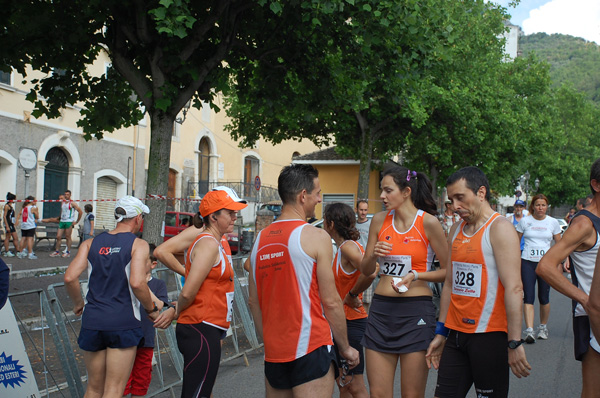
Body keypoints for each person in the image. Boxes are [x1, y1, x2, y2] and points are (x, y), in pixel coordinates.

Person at [248, 164, 359, 398]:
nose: (320, 199)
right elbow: (330, 301)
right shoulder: (317, 236)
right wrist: (346, 348)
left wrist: (268, 341)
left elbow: (254, 302)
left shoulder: (259, 240)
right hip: (311, 346)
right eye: (318, 193)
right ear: (303, 196)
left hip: (275, 351)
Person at [426, 167, 530, 398]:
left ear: (481, 193)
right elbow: (451, 284)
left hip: (489, 335)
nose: (455, 205)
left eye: (460, 197)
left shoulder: (499, 228)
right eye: (451, 200)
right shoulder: (455, 229)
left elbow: (514, 288)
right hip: (455, 334)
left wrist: (514, 342)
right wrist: (441, 332)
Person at [359, 166, 448, 398]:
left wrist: (417, 275)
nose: (382, 196)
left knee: (412, 395)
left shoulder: (428, 223)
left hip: (415, 312)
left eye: (388, 190)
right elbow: (366, 270)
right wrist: (372, 255)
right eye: (381, 190)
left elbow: (449, 271)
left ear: (406, 191)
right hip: (381, 312)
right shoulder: (379, 221)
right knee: (378, 394)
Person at [64, 196, 158, 398]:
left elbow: (70, 277)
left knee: (93, 388)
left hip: (93, 319)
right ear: (137, 218)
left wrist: (78, 303)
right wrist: (151, 309)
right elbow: (137, 282)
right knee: (114, 389)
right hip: (122, 321)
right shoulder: (138, 244)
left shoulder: (91, 243)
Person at [536, 158, 600, 397]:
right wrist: (585, 300)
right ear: (596, 184)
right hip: (592, 317)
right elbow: (546, 267)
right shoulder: (584, 223)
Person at [175, 189, 247, 398]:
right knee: (196, 394)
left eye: (235, 212)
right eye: (230, 212)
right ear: (213, 216)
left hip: (207, 327)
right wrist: (175, 311)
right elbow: (188, 292)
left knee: (200, 393)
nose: (235, 217)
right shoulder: (207, 244)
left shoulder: (213, 242)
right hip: (200, 326)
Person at [324, 202, 376, 398]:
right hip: (341, 321)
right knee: (344, 384)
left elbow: (370, 272)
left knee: (355, 386)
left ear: (330, 224)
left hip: (351, 322)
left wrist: (352, 295)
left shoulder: (347, 247)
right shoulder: (344, 248)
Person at [123, 243, 172, 398]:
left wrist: (142, 285)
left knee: (141, 382)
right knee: (122, 382)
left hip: (146, 340)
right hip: (124, 339)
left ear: (153, 264)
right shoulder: (125, 282)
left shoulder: (158, 284)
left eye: (141, 260)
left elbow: (158, 305)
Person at [516, 193, 562, 343]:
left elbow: (560, 245)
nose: (540, 208)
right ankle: (529, 330)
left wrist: (560, 262)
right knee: (528, 296)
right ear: (533, 206)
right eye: (537, 205)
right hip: (527, 262)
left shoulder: (553, 222)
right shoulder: (525, 221)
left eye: (543, 205)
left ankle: (542, 327)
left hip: (545, 264)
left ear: (547, 207)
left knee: (544, 297)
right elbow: (515, 242)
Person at [48, 190, 83, 258]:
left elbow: (80, 212)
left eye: (67, 194)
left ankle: (68, 252)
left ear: (70, 195)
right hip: (62, 221)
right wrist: (60, 217)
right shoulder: (63, 202)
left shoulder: (73, 203)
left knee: (68, 237)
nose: (66, 195)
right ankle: (57, 251)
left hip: (69, 221)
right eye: (65, 194)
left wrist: (76, 221)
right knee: (58, 236)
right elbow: (62, 211)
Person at [355, 199, 375, 306]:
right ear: (356, 210)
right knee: (356, 293)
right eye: (361, 210)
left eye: (365, 210)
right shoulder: (353, 225)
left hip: (367, 262)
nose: (363, 212)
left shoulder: (371, 225)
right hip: (355, 262)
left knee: (367, 298)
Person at [3, 192, 20, 257]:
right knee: (8, 237)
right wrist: (7, 226)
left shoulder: (11, 206)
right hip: (8, 223)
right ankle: (7, 251)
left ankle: (18, 251)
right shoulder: (7, 206)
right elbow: (5, 216)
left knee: (15, 237)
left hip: (11, 223)